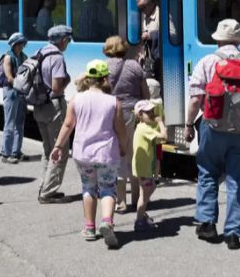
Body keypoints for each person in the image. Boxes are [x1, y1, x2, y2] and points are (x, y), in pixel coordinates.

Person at [184, 19, 240, 250]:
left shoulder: (207, 62)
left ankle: (207, 223)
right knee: (239, 179)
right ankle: (234, 233)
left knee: (207, 172)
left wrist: (189, 124)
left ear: (218, 39)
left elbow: (195, 99)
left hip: (213, 127)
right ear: (239, 40)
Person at [49, 59, 126, 247]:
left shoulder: (76, 100)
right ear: (105, 78)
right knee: (108, 188)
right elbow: (120, 130)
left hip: (83, 153)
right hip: (106, 153)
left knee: (88, 188)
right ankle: (107, 221)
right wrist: (124, 147)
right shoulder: (113, 102)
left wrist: (58, 146)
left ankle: (89, 228)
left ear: (89, 78)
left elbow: (68, 125)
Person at [103, 35, 150, 213]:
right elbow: (146, 95)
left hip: (112, 115)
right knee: (134, 156)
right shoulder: (134, 66)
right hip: (134, 114)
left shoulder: (104, 67)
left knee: (118, 157)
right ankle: (136, 199)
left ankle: (120, 201)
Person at [36, 25, 73, 204]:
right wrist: (68, 80)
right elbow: (57, 87)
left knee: (47, 148)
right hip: (53, 106)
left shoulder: (40, 52)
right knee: (60, 149)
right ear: (63, 40)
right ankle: (48, 192)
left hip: (39, 106)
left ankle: (44, 185)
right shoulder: (57, 58)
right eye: (68, 40)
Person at [132, 100, 167, 231]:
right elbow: (164, 137)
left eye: (152, 111)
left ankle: (142, 214)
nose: (152, 114)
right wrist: (160, 122)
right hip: (144, 167)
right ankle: (139, 220)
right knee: (145, 194)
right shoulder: (145, 129)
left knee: (146, 191)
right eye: (148, 112)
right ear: (140, 115)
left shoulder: (141, 127)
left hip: (142, 166)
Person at [0, 33, 28, 163]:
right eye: (20, 43)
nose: (22, 46)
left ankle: (16, 151)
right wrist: (20, 86)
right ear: (14, 44)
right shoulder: (8, 57)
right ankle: (6, 153)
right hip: (11, 93)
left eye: (23, 43)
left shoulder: (24, 57)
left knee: (19, 123)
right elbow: (9, 77)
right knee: (10, 123)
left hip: (21, 93)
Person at [137, 0, 160, 79]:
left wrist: (150, 35)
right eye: (139, 8)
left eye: (143, 7)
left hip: (160, 57)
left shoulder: (162, 15)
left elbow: (172, 34)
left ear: (152, 4)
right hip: (149, 57)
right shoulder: (146, 15)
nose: (142, 10)